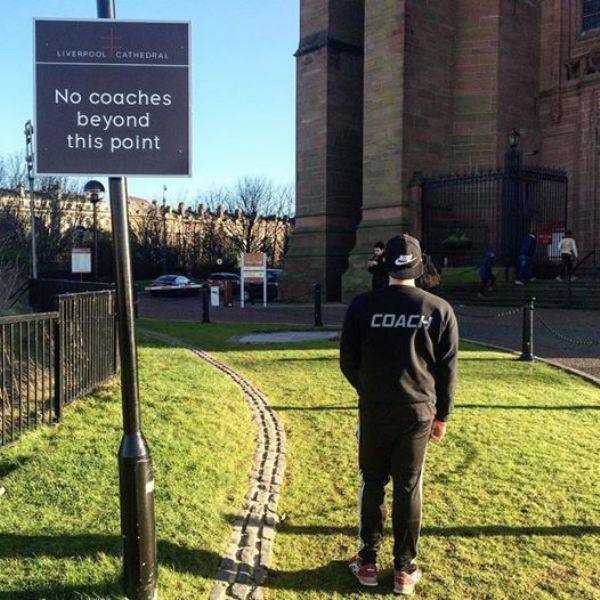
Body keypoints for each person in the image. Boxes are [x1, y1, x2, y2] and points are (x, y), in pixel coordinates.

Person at [340, 234, 458, 596]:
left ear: (385, 264)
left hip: (374, 409)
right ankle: (404, 568)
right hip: (418, 411)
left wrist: (369, 389)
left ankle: (368, 560)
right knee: (408, 486)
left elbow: (348, 361)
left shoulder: (362, 306)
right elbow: (447, 369)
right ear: (419, 265)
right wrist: (442, 415)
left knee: (372, 481)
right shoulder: (439, 309)